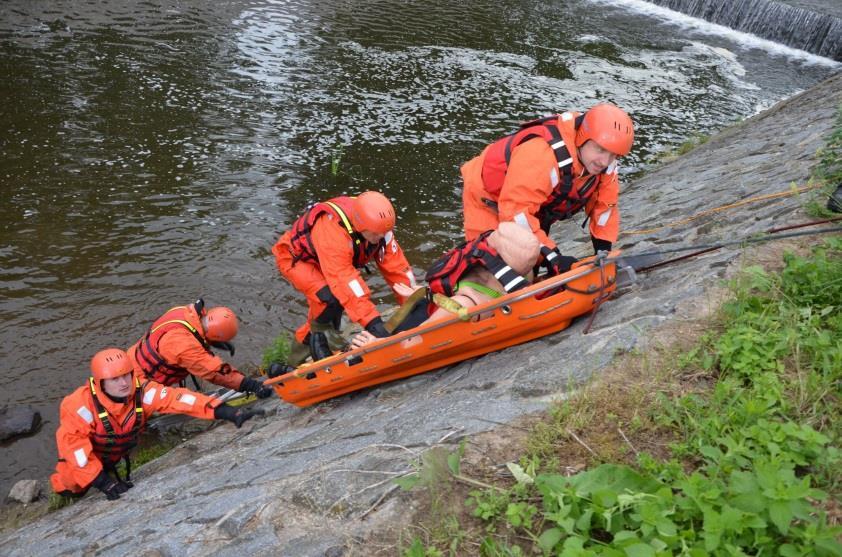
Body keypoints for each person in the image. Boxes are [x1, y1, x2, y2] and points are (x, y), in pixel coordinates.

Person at [51, 348, 263, 500]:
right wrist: (103, 482)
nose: (124, 383)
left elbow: (179, 399)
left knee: (103, 471)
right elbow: (75, 451)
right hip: (78, 467)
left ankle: (100, 477)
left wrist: (227, 412)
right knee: (71, 488)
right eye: (115, 379)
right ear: (100, 383)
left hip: (111, 457)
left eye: (126, 375)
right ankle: (62, 496)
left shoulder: (141, 392)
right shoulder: (78, 406)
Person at [460, 103, 633, 276]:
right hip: (487, 198)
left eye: (613, 155)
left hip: (534, 204)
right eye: (600, 150)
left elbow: (604, 207)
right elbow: (516, 214)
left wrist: (603, 252)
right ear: (582, 137)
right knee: (487, 268)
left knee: (529, 266)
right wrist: (553, 256)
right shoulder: (542, 154)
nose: (604, 161)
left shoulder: (604, 162)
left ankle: (531, 275)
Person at [272, 191, 416, 363]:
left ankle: (327, 342)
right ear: (360, 226)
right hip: (297, 260)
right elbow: (344, 280)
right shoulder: (334, 231)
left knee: (336, 305)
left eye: (383, 234)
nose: (379, 239)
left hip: (328, 258)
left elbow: (397, 268)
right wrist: (373, 323)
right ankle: (295, 360)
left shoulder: (379, 229)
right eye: (375, 235)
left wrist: (414, 303)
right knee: (328, 300)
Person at [351, 222, 540, 347]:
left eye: (483, 247)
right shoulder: (523, 273)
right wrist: (426, 293)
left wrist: (375, 344)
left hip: (428, 321)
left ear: (492, 262)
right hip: (445, 306)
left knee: (368, 338)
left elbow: (412, 341)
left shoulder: (468, 302)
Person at [127, 299, 272, 399]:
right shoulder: (184, 345)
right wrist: (250, 385)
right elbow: (214, 372)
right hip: (138, 382)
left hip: (131, 359)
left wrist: (212, 342)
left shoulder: (184, 312)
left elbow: (195, 335)